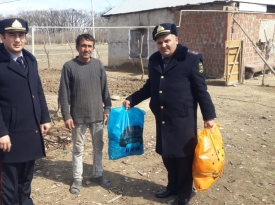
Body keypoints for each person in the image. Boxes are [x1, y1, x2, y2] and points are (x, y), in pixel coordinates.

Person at [123, 23, 216, 205]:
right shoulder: (154, 60)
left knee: (183, 158)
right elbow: (150, 86)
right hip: (162, 118)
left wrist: (209, 116)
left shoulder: (191, 59)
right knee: (167, 155)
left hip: (183, 119)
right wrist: (132, 99)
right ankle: (172, 186)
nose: (163, 45)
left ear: (176, 39)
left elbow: (201, 91)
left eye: (167, 41)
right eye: (159, 42)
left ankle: (183, 195)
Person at [0, 18, 51, 205]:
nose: (17, 39)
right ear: (2, 37)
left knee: (26, 178)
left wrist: (44, 117)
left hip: (31, 130)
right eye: (12, 35)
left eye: (21, 35)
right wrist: (0, 133)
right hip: (10, 135)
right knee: (10, 184)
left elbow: (38, 91)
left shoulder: (29, 60)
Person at [58, 34, 112, 195]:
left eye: (89, 46)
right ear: (77, 48)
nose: (86, 49)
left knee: (98, 147)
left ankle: (97, 174)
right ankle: (77, 179)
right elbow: (64, 94)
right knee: (77, 149)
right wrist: (66, 115)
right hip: (78, 117)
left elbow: (105, 90)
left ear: (93, 48)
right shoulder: (69, 67)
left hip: (97, 115)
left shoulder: (98, 65)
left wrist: (107, 109)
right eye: (83, 46)